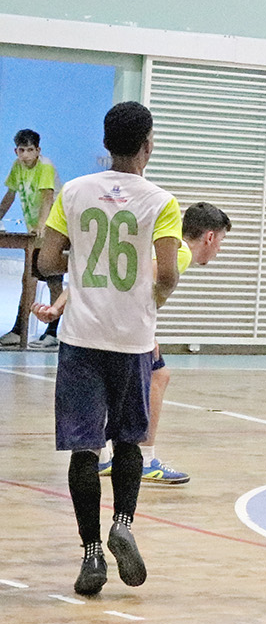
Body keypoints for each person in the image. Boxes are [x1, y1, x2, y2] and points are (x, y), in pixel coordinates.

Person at [35, 102, 181, 597]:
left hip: (81, 338)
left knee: (84, 447)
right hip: (132, 339)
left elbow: (47, 260)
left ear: (105, 143)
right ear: (148, 145)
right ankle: (123, 523)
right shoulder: (161, 201)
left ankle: (91, 554)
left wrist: (81, 263)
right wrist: (153, 299)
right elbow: (167, 273)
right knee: (129, 441)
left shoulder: (74, 192)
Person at [37, 202, 232, 489]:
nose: (219, 250)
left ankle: (103, 456)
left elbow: (97, 272)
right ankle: (145, 459)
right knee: (157, 376)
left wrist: (57, 308)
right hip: (120, 327)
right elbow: (137, 284)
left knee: (126, 382)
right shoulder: (178, 253)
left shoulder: (154, 246)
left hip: (96, 321)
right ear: (210, 237)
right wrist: (146, 333)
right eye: (221, 241)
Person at [1, 128, 63, 349]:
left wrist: (41, 227)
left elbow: (47, 198)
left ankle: (53, 333)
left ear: (38, 150)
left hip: (55, 228)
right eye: (21, 150)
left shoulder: (45, 166)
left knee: (52, 278)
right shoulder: (17, 167)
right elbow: (9, 196)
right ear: (16, 151)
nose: (25, 155)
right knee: (28, 278)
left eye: (30, 150)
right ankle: (19, 330)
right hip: (35, 230)